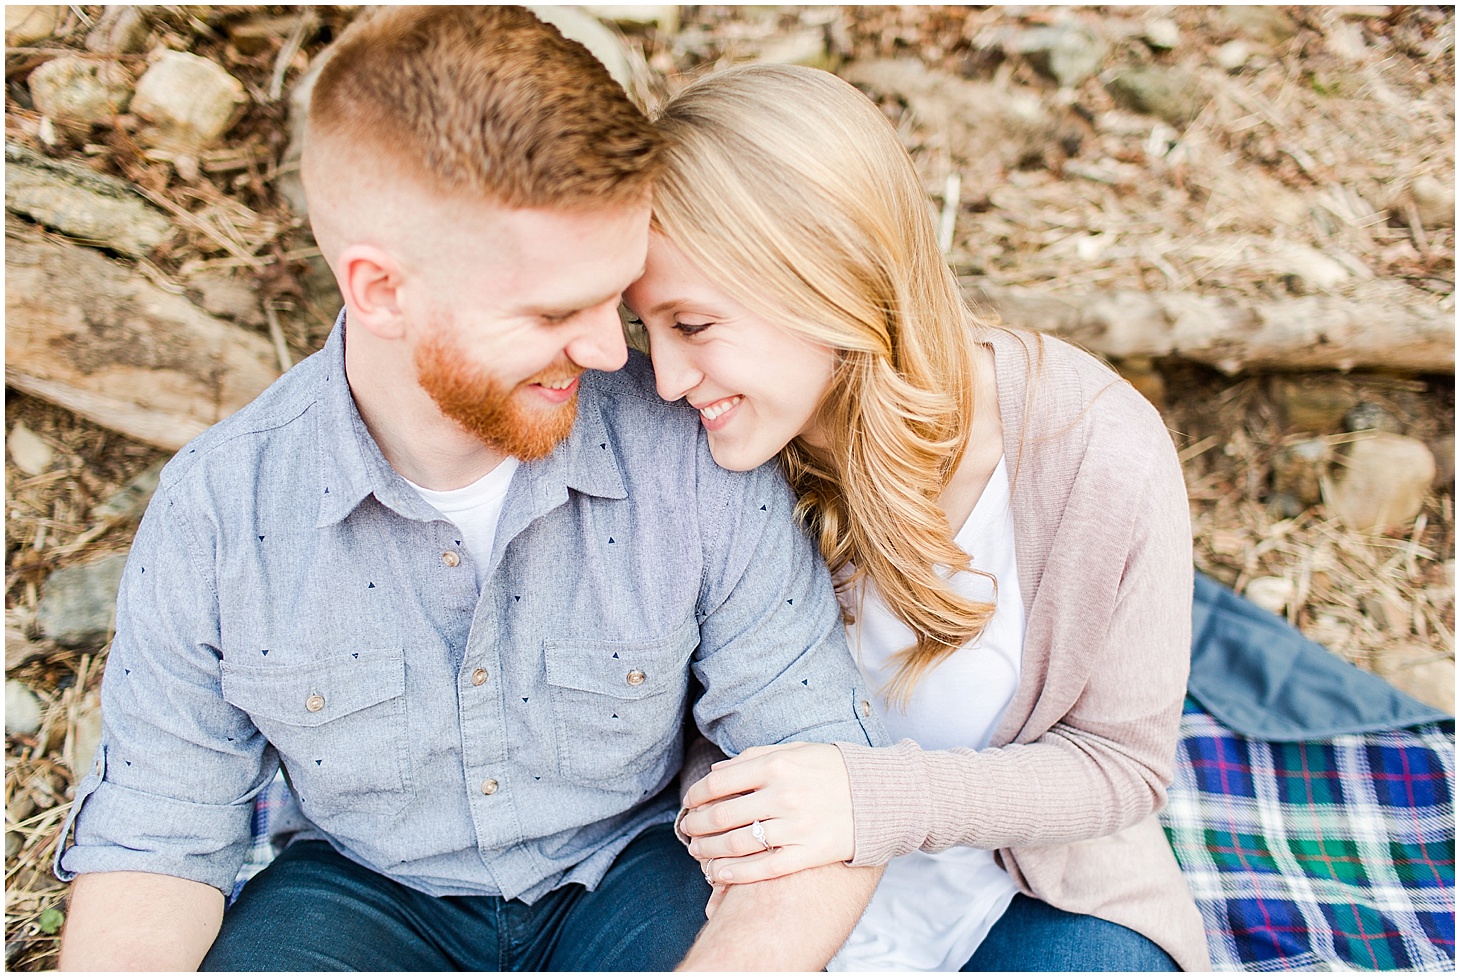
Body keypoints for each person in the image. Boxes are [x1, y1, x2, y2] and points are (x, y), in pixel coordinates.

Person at [52, 11, 887, 971]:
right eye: (551, 311)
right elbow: (157, 841)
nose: (616, 354)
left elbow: (822, 772)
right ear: (380, 291)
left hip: (630, 871)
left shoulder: (690, 460)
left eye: (612, 297)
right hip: (360, 893)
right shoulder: (219, 510)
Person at [623, 63, 1212, 972]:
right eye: (646, 331)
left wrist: (876, 798)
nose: (663, 378)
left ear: (827, 283)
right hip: (775, 896)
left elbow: (1122, 768)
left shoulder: (1095, 450)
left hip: (1031, 893)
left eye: (694, 327)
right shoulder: (702, 455)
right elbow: (677, 731)